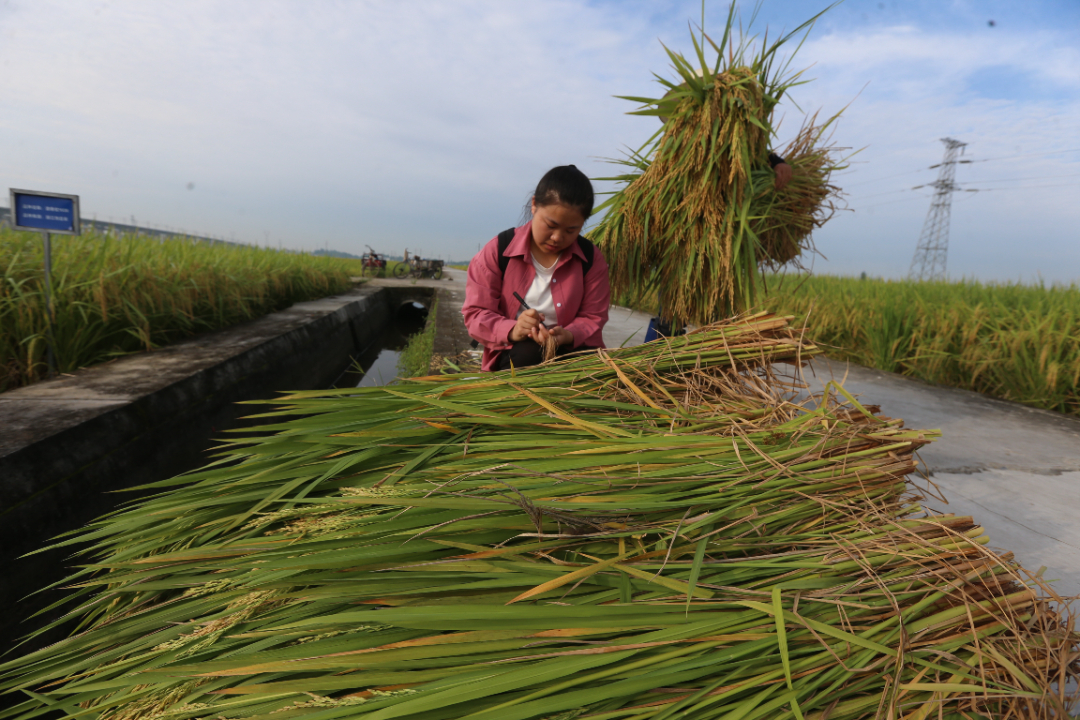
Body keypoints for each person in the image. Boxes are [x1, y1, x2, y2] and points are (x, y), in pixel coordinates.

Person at [463, 165, 611, 371]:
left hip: (571, 352)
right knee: (528, 355)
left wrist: (568, 335)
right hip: (517, 355)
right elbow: (476, 313)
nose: (557, 237)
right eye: (550, 225)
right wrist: (514, 329)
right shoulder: (498, 251)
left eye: (571, 230)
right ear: (534, 205)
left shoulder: (590, 259)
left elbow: (594, 316)